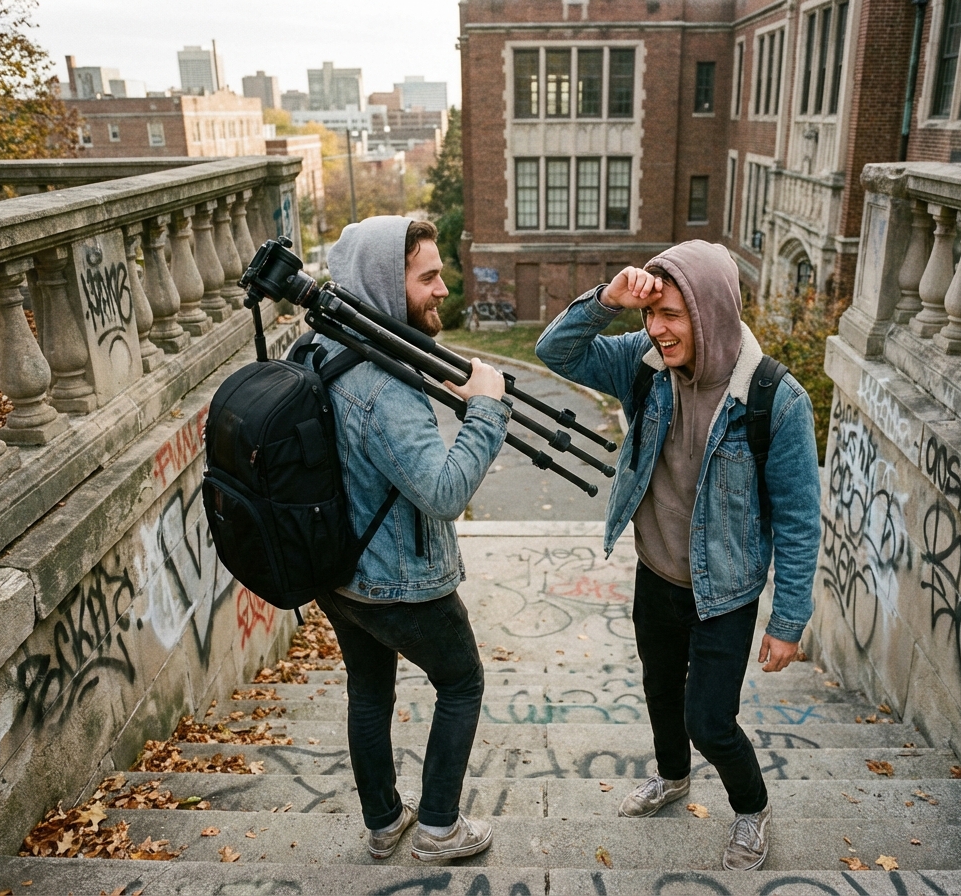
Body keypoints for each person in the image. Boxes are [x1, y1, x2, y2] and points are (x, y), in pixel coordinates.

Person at [535, 240, 821, 871]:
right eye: (651, 314)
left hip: (726, 593)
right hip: (656, 573)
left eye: (672, 314)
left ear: (710, 311)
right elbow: (555, 350)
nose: (657, 330)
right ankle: (672, 777)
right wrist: (609, 299)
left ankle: (751, 809)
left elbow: (800, 518)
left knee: (709, 721)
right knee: (660, 692)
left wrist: (788, 620)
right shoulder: (645, 367)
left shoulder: (775, 399)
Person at [306, 216, 508, 862]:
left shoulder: (322, 345)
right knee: (463, 683)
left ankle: (383, 821)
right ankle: (440, 829)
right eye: (428, 276)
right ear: (389, 287)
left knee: (369, 689)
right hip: (399, 581)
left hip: (338, 572)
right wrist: (487, 407)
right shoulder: (383, 384)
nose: (443, 288)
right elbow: (445, 494)